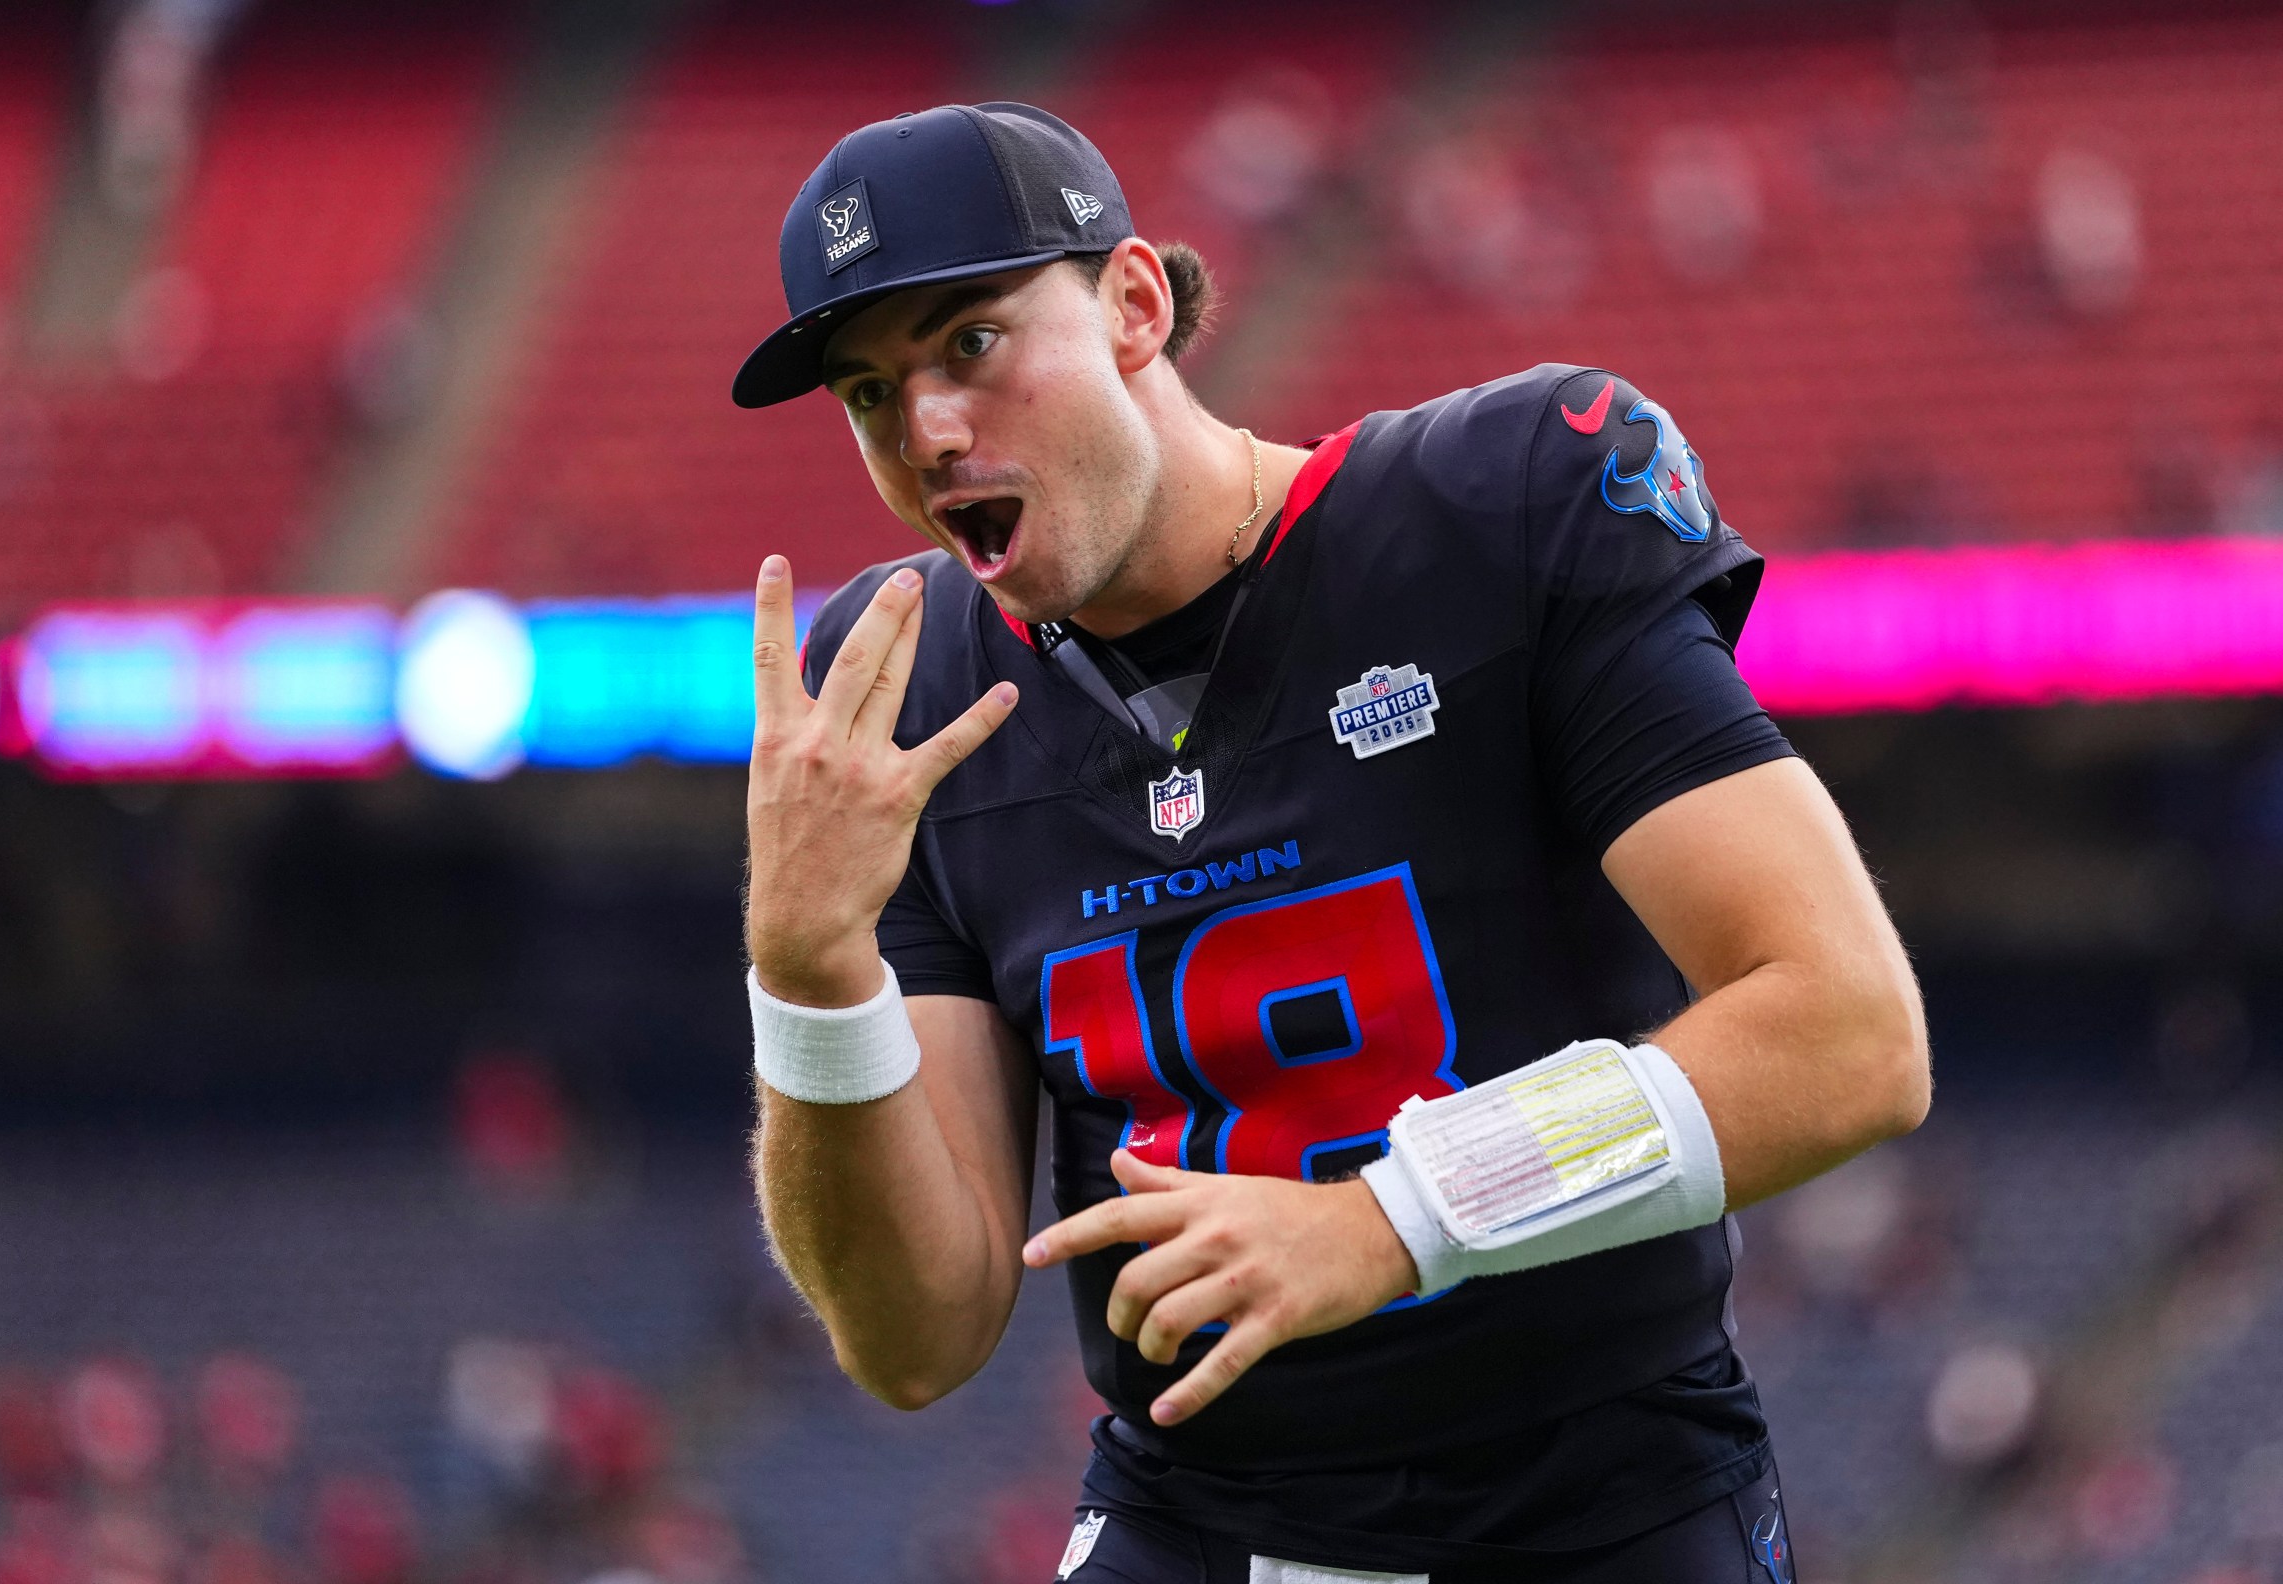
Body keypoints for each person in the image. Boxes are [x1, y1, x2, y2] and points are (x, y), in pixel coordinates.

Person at [733, 102, 1928, 1584]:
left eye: (971, 341)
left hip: (1599, 1498)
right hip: (1203, 1519)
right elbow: (916, 1340)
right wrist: (806, 974)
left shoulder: (1497, 508)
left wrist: (1391, 1220)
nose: (926, 433)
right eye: (868, 391)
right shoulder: (901, 684)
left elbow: (1850, 1032)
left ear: (1132, 307)